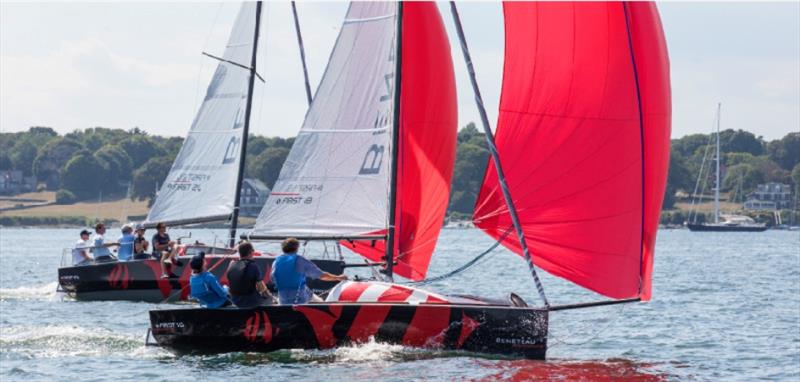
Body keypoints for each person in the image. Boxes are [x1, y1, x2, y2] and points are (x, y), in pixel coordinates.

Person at [272, 238, 347, 305]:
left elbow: (273, 279)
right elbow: (322, 276)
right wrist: (338, 277)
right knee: (321, 303)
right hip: (300, 299)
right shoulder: (300, 260)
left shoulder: (276, 262)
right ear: (296, 248)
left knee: (305, 290)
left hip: (283, 299)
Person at [227, 241, 275, 308]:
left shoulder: (231, 265)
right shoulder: (253, 266)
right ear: (251, 252)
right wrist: (273, 298)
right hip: (250, 302)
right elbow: (263, 290)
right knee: (270, 299)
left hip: (235, 300)